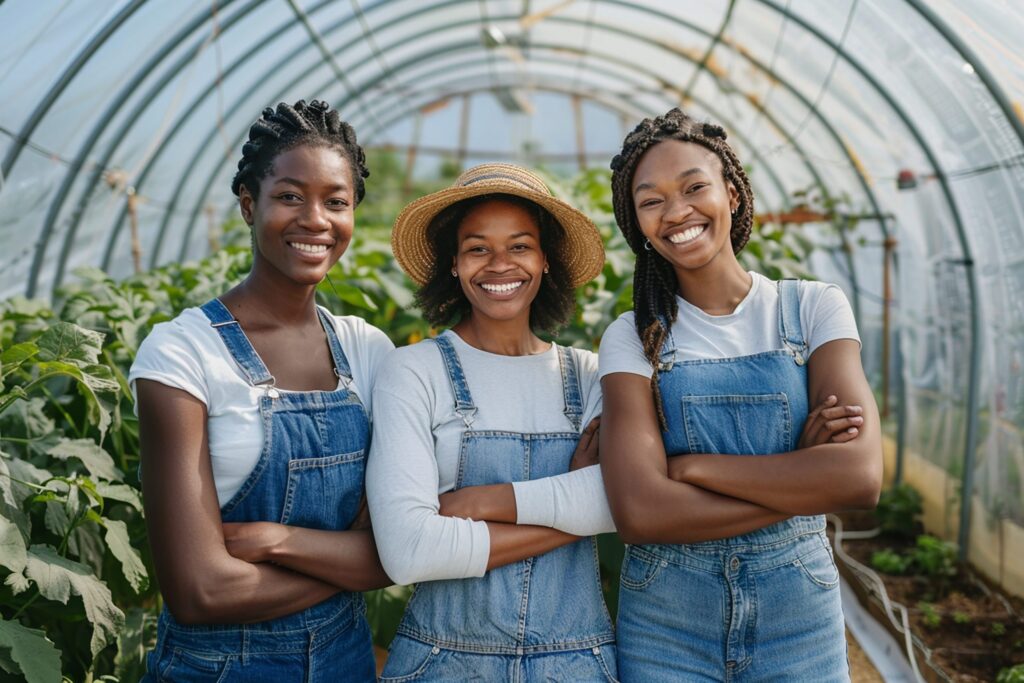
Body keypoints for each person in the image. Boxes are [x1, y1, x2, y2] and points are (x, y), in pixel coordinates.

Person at [598, 108, 882, 681]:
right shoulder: (633, 335)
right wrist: (799, 479)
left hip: (799, 619)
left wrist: (692, 466)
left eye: (694, 187)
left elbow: (857, 478)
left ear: (731, 192)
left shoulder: (811, 308)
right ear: (637, 224)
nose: (676, 212)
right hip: (666, 622)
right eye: (651, 201)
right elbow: (641, 512)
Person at [130, 100, 393, 682]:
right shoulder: (181, 353)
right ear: (250, 205)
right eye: (290, 196)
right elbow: (199, 590)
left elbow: (397, 546)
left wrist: (276, 541)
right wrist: (351, 564)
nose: (316, 220)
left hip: (347, 662)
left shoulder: (368, 350)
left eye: (336, 201)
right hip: (217, 669)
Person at [366, 163, 620, 681]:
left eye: (520, 246)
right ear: (454, 265)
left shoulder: (591, 376)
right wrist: (572, 505)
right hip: (441, 664)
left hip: (577, 666)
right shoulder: (414, 370)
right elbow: (409, 552)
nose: (499, 264)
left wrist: (482, 503)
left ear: (546, 260)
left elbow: (626, 501)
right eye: (478, 248)